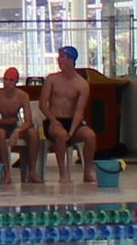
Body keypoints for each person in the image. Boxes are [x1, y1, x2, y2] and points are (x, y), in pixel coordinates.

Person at [38, 44, 97, 188]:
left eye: (62, 57)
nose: (58, 60)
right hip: (53, 120)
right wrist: (53, 120)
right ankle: (63, 174)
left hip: (72, 121)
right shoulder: (52, 79)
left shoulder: (82, 84)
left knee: (90, 136)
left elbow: (79, 112)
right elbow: (42, 105)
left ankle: (87, 172)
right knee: (61, 134)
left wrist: (72, 130)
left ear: (70, 60)